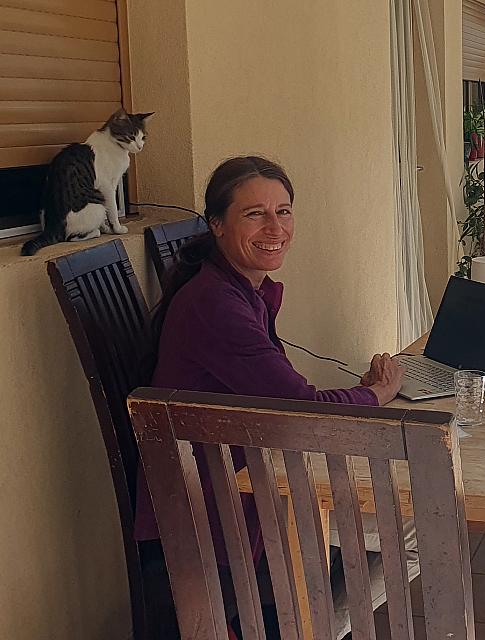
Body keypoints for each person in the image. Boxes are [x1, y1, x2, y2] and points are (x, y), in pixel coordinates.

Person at [135, 156, 411, 638]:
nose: (274, 227)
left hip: (242, 480)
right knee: (414, 525)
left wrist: (361, 393)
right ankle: (307, 626)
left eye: (283, 212)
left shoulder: (238, 289)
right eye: (254, 214)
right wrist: (376, 393)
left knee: (401, 522)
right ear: (217, 225)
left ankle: (308, 619)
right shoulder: (216, 305)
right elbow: (299, 410)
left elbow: (282, 394)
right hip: (215, 510)